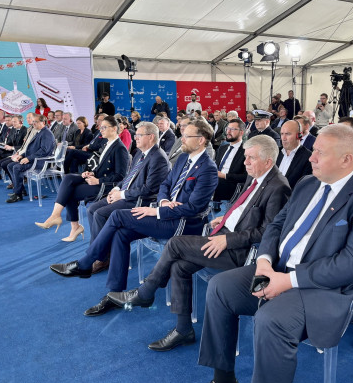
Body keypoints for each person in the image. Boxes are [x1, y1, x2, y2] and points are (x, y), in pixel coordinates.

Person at [197, 124, 353, 383]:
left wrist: (289, 281)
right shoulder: (307, 183)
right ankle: (223, 379)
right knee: (220, 287)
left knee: (270, 320)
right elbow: (276, 225)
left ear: (346, 159)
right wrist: (264, 261)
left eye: (320, 153)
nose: (311, 158)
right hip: (278, 270)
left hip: (324, 289)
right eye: (313, 151)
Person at [107, 135, 292, 350]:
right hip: (221, 235)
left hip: (239, 251)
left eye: (251, 158)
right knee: (179, 266)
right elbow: (242, 208)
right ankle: (183, 330)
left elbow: (268, 232)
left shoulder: (279, 187)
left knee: (175, 244)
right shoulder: (256, 175)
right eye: (245, 157)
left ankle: (145, 293)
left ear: (268, 162)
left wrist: (227, 239)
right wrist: (224, 219)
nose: (245, 162)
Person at [49, 120, 219, 314]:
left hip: (182, 224)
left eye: (187, 136)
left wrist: (157, 211)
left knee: (117, 216)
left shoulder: (208, 169)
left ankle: (85, 263)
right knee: (121, 233)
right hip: (165, 214)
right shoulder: (182, 159)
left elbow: (193, 208)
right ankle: (114, 292)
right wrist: (164, 202)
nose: (182, 140)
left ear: (201, 140)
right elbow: (165, 185)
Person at [35, 116, 129, 240]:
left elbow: (121, 176)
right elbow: (101, 167)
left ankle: (72, 226)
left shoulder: (120, 148)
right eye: (100, 127)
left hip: (105, 186)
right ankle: (56, 216)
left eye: (104, 127)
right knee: (68, 178)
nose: (101, 130)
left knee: (69, 192)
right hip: (95, 179)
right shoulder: (107, 143)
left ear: (114, 129)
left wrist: (98, 180)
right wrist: (91, 173)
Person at [86, 122, 170, 249]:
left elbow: (149, 189)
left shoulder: (158, 157)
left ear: (151, 137)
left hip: (138, 200)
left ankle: (98, 254)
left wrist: (121, 195)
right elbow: (128, 176)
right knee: (91, 209)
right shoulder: (140, 153)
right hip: (126, 194)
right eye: (136, 135)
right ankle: (99, 251)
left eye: (139, 135)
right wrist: (116, 189)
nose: (135, 138)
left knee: (100, 214)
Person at [6, 114, 56, 203]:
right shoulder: (39, 132)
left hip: (41, 161)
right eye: (33, 122)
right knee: (10, 165)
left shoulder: (46, 133)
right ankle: (20, 190)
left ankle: (18, 194)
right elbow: (32, 149)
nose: (33, 124)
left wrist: (28, 158)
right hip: (34, 159)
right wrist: (22, 155)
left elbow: (44, 151)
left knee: (16, 167)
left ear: (43, 122)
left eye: (36, 122)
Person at [0, 115, 27, 187]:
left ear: (21, 122)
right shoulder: (14, 129)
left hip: (19, 153)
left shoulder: (25, 131)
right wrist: (0, 145)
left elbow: (25, 146)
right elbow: (8, 142)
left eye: (14, 122)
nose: (13, 123)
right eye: (12, 122)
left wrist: (11, 147)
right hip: (11, 151)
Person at [214, 119, 247, 203]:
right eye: (227, 129)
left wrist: (224, 176)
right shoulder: (222, 148)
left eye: (232, 129)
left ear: (241, 132)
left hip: (232, 191)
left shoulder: (246, 151)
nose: (228, 132)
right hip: (215, 187)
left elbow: (246, 177)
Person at [276, 120, 312, 189]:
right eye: (282, 134)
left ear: (299, 135)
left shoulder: (308, 158)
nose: (283, 138)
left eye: (288, 134)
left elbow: (303, 188)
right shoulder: (276, 152)